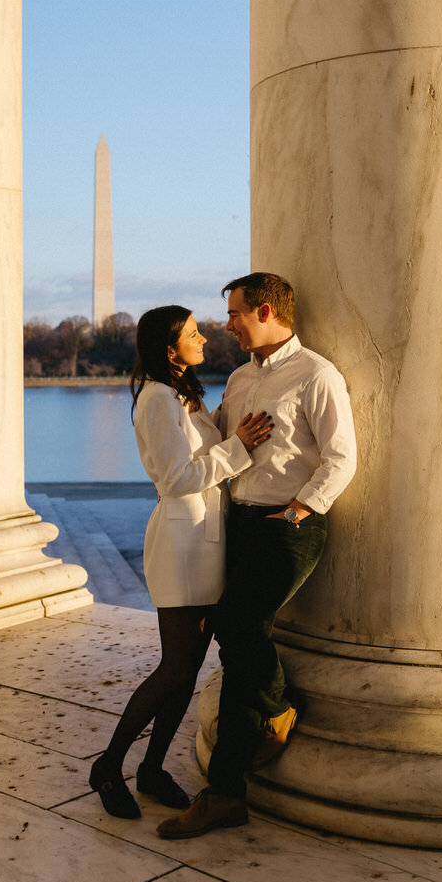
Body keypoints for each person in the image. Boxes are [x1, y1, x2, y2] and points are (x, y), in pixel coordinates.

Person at [157, 273, 357, 839]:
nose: (227, 324)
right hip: (239, 526)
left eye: (235, 313)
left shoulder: (317, 375)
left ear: (265, 310)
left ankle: (277, 708)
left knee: (235, 625)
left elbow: (342, 458)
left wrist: (298, 511)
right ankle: (226, 793)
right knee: (240, 645)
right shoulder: (241, 377)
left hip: (286, 527)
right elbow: (221, 442)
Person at [89, 304, 273, 819]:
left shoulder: (182, 398)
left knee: (188, 669)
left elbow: (198, 455)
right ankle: (109, 764)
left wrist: (232, 426)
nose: (205, 341)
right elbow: (176, 478)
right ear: (170, 350)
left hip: (204, 542)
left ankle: (151, 769)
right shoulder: (155, 399)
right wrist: (240, 446)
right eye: (194, 334)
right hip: (180, 547)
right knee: (174, 668)